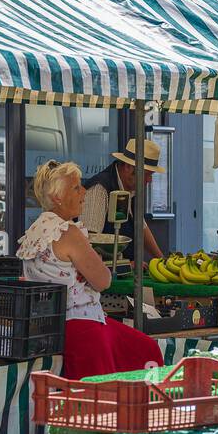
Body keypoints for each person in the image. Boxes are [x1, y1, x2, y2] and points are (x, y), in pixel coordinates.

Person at [19, 160, 161, 380]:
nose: (83, 192)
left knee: (144, 347)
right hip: (81, 326)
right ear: (57, 197)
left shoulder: (34, 230)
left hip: (51, 327)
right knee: (99, 397)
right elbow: (103, 281)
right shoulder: (69, 232)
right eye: (76, 187)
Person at [80, 139, 163, 261]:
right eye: (146, 174)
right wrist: (120, 263)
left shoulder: (131, 188)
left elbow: (140, 226)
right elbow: (89, 240)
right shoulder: (99, 189)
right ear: (128, 167)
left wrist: (161, 259)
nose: (149, 180)